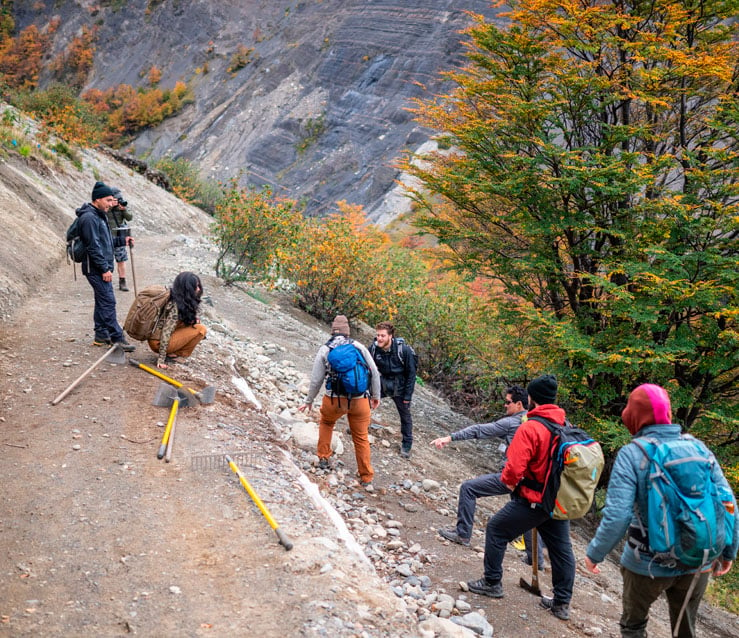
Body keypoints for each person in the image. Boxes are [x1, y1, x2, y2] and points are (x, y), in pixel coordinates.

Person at [585, 384, 738, 638]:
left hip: (646, 563)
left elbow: (618, 515)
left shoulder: (632, 454)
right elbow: (728, 502)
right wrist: (728, 551)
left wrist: (595, 553)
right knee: (684, 629)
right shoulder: (699, 447)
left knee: (633, 627)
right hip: (697, 560)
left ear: (634, 414)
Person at [466, 374, 575, 622]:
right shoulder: (564, 424)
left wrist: (510, 484)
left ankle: (492, 582)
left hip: (533, 498)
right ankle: (561, 604)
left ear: (530, 398)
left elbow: (514, 470)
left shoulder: (531, 426)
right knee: (561, 550)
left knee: (496, 529)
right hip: (557, 500)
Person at [433, 385, 545, 566]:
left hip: (512, 476)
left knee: (469, 488)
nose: (505, 405)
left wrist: (450, 438)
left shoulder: (512, 423)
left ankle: (462, 534)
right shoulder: (536, 422)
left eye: (508, 402)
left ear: (518, 404)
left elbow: (480, 430)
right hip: (532, 480)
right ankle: (536, 559)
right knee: (526, 512)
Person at [298, 315, 381, 489]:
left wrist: (309, 400)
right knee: (361, 437)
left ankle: (323, 457)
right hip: (360, 400)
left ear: (332, 331)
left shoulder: (326, 349)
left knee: (327, 423)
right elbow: (373, 371)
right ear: (347, 331)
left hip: (334, 399)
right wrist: (375, 396)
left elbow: (316, 379)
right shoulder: (357, 346)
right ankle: (366, 476)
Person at [76, 181, 135, 352]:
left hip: (100, 266)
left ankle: (101, 335)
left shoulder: (98, 215)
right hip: (95, 268)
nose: (111, 204)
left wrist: (122, 241)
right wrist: (104, 269)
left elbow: (105, 242)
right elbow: (93, 246)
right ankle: (117, 338)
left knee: (102, 301)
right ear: (98, 199)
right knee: (109, 301)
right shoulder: (89, 218)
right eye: (108, 200)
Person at [369, 322, 417, 458]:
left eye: (383, 335)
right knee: (365, 400)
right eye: (378, 335)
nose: (379, 338)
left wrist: (408, 396)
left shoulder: (404, 350)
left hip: (400, 385)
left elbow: (411, 375)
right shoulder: (374, 348)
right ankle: (358, 426)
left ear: (390, 336)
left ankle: (407, 444)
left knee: (405, 415)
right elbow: (365, 364)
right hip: (382, 381)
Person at [146, 272, 208, 370]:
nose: (199, 289)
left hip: (156, 338)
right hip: (157, 342)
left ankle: (172, 352)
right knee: (201, 329)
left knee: (194, 323)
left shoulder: (178, 299)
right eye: (196, 287)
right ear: (188, 289)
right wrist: (161, 359)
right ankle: (175, 354)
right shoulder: (175, 306)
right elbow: (167, 331)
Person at [105, 187, 133, 291]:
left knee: (121, 260)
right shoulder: (106, 206)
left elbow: (130, 217)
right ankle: (107, 282)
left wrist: (124, 209)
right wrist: (111, 206)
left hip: (119, 236)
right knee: (107, 260)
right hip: (107, 236)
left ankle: (122, 281)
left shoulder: (122, 206)